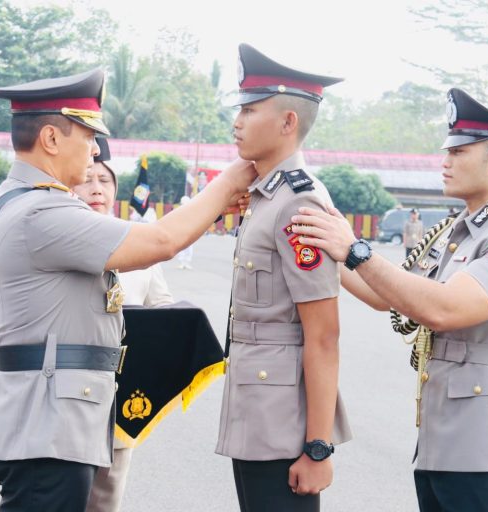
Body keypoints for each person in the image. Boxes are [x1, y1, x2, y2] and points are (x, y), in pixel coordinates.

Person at [0, 68, 255, 512]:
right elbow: (159, 242)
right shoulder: (43, 211)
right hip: (49, 430)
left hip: (50, 424)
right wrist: (228, 183)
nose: (93, 152)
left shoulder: (26, 201)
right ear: (50, 138)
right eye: (87, 136)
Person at [291, 87, 488, 511]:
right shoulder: (457, 232)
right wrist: (321, 240)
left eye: (459, 152)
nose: (445, 162)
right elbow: (386, 294)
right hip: (444, 446)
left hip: (487, 452)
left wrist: (356, 250)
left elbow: (443, 308)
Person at [0, 138, 174, 512]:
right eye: (89, 178)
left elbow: (164, 310)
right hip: (60, 396)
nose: (97, 187)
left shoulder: (136, 246)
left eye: (106, 181)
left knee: (104, 500)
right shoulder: (46, 224)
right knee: (54, 495)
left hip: (116, 396)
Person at [215, 43, 352, 512]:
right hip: (256, 412)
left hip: (283, 426)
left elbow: (323, 335)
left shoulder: (297, 201)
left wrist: (318, 447)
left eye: (250, 110)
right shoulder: (264, 197)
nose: (237, 122)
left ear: (288, 122)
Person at [176, 195, 194, 269]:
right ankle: (182, 262)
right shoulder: (178, 211)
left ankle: (187, 262)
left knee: (189, 248)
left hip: (189, 232)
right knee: (181, 247)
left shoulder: (192, 212)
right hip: (181, 231)